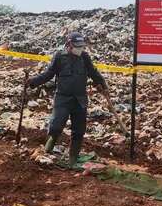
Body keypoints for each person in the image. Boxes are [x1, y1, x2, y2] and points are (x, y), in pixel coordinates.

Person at [27, 32, 107, 166]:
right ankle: (47, 151)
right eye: (77, 46)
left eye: (82, 46)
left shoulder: (85, 57)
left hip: (80, 99)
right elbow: (49, 74)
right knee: (56, 126)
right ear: (69, 44)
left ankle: (73, 158)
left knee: (79, 130)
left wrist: (103, 85)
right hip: (62, 98)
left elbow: (93, 72)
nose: (80, 49)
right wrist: (33, 82)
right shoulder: (59, 57)